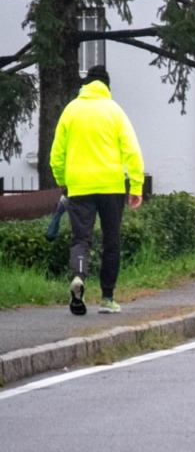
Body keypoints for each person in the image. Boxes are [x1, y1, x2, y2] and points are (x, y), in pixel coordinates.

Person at [49, 65, 145, 316]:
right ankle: (107, 298)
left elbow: (56, 155)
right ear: (106, 86)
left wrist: (63, 182)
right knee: (111, 241)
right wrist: (135, 186)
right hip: (111, 185)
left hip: (79, 186)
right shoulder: (114, 111)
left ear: (85, 85)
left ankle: (78, 277)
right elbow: (132, 151)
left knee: (81, 240)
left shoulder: (71, 111)